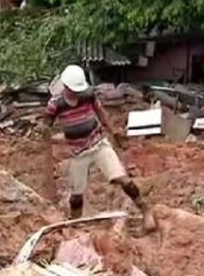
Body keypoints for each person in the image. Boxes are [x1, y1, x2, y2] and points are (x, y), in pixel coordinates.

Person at [44, 64, 157, 232]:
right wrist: (45, 138)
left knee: (123, 179)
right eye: (73, 90)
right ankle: (74, 226)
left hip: (98, 144)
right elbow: (46, 125)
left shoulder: (88, 95)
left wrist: (114, 133)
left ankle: (146, 211)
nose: (76, 93)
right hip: (78, 153)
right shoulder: (55, 104)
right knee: (76, 196)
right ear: (65, 86)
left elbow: (101, 114)